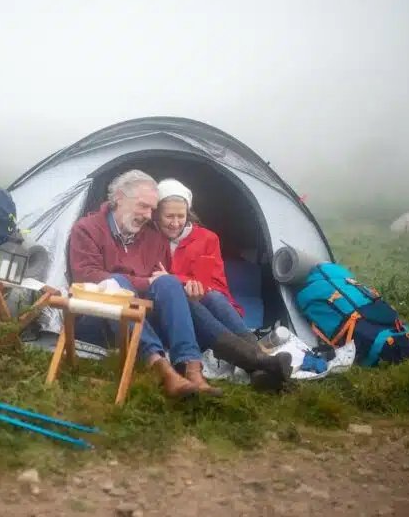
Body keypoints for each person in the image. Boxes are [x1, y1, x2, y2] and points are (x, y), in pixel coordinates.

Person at [67, 169, 222, 398]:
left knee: (168, 282)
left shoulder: (153, 238)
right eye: (143, 206)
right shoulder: (87, 229)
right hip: (97, 317)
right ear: (119, 198)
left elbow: (159, 286)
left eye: (152, 208)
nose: (150, 215)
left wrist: (156, 284)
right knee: (115, 282)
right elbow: (88, 277)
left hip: (141, 323)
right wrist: (142, 282)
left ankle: (191, 369)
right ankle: (161, 368)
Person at [153, 178, 293, 391]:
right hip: (170, 311)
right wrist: (182, 284)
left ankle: (258, 368)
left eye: (180, 216)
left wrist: (198, 289)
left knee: (215, 297)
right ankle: (260, 363)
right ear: (156, 215)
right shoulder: (149, 239)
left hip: (207, 304)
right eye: (168, 216)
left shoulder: (207, 239)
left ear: (188, 213)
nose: (175, 222)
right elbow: (153, 279)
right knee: (187, 303)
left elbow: (217, 284)